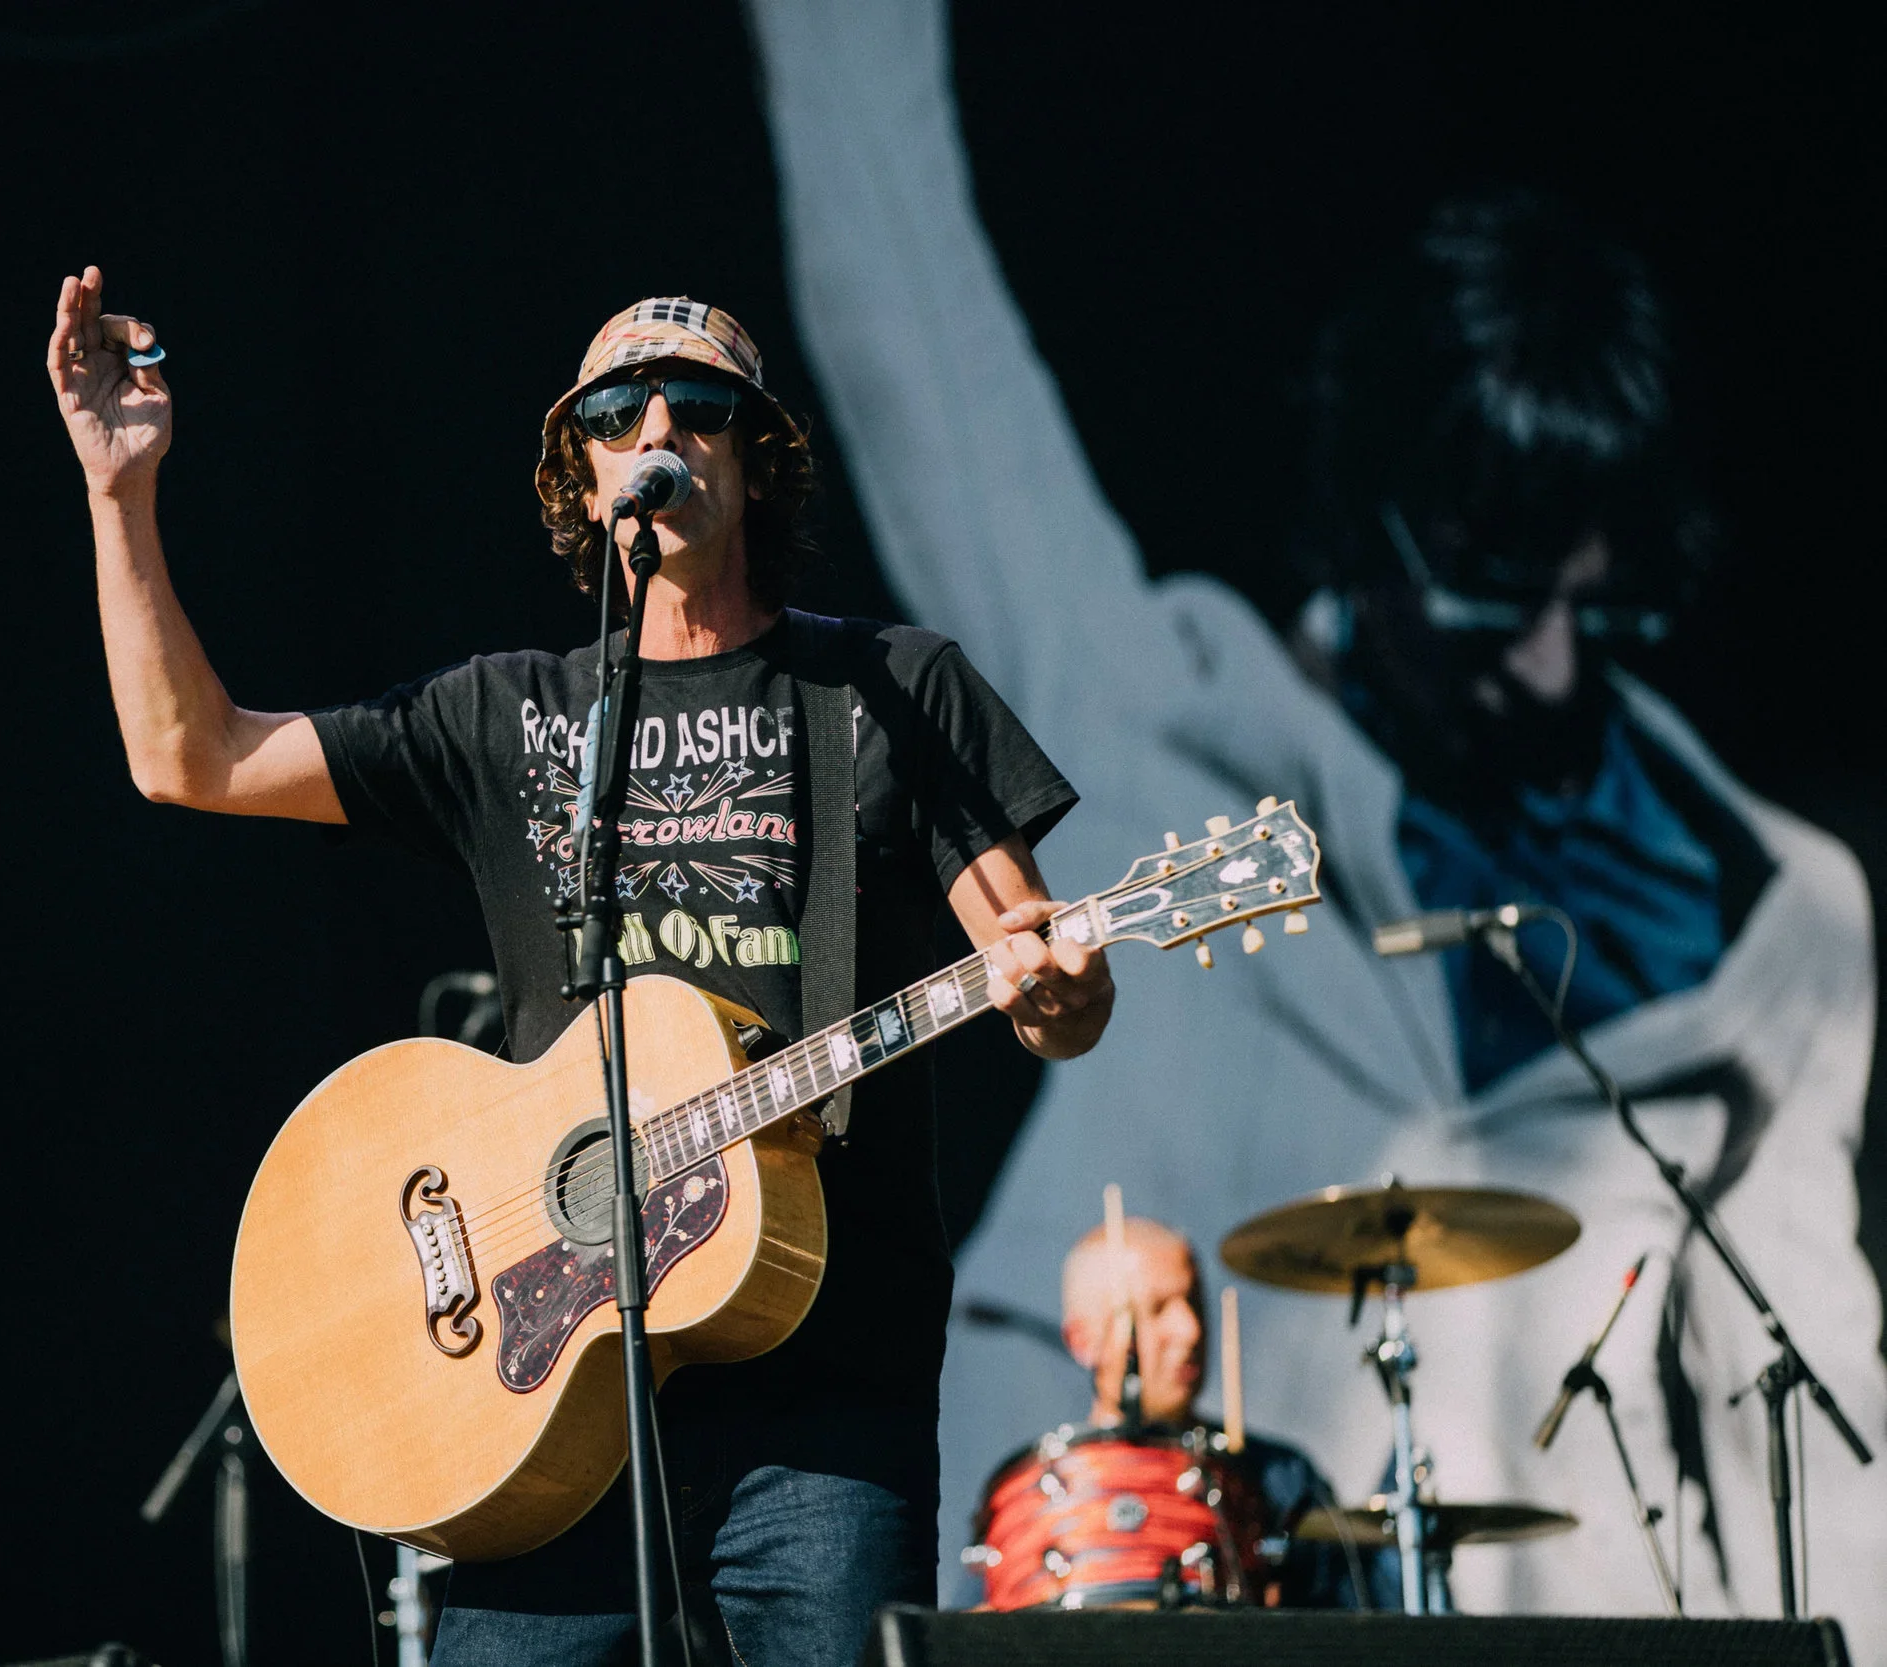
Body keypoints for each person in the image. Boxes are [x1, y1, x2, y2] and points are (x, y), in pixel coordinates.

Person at [745, 0, 1885, 1649]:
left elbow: (1819, 1412)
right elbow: (920, 336)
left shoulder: (1775, 914)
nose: (1548, 667)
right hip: (1178, 1602)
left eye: (1597, 606)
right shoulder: (1148, 716)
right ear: (1367, 525)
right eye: (1492, 597)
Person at [46, 270, 1116, 1666]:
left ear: (757, 456)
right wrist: (119, 492)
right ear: (583, 471)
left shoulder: (894, 690)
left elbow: (1041, 976)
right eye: (616, 412)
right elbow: (188, 756)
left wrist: (1060, 990)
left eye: (698, 405)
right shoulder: (508, 714)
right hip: (545, 1387)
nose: (655, 425)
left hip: (820, 1398)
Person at [978, 1217, 1366, 1610]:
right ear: (1082, 1340)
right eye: (1157, 1309)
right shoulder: (1029, 1496)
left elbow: (1351, 1629)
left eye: (1194, 1303)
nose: (1190, 1330)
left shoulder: (1281, 1478)